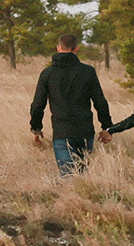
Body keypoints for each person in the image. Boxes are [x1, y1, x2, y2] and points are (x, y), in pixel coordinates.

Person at [29, 31, 113, 174]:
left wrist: (36, 128)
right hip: (85, 132)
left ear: (58, 48)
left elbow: (38, 105)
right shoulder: (88, 72)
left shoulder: (48, 74)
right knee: (82, 177)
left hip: (62, 131)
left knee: (68, 177)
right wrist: (107, 127)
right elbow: (100, 102)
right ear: (76, 49)